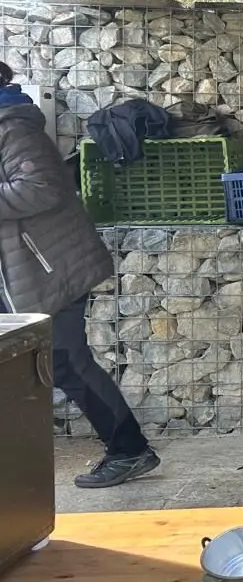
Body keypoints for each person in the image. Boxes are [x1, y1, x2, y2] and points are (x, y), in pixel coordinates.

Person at [0, 60, 161, 487]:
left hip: (50, 270)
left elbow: (39, 189)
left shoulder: (12, 127)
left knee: (68, 364)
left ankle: (129, 449)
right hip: (21, 273)